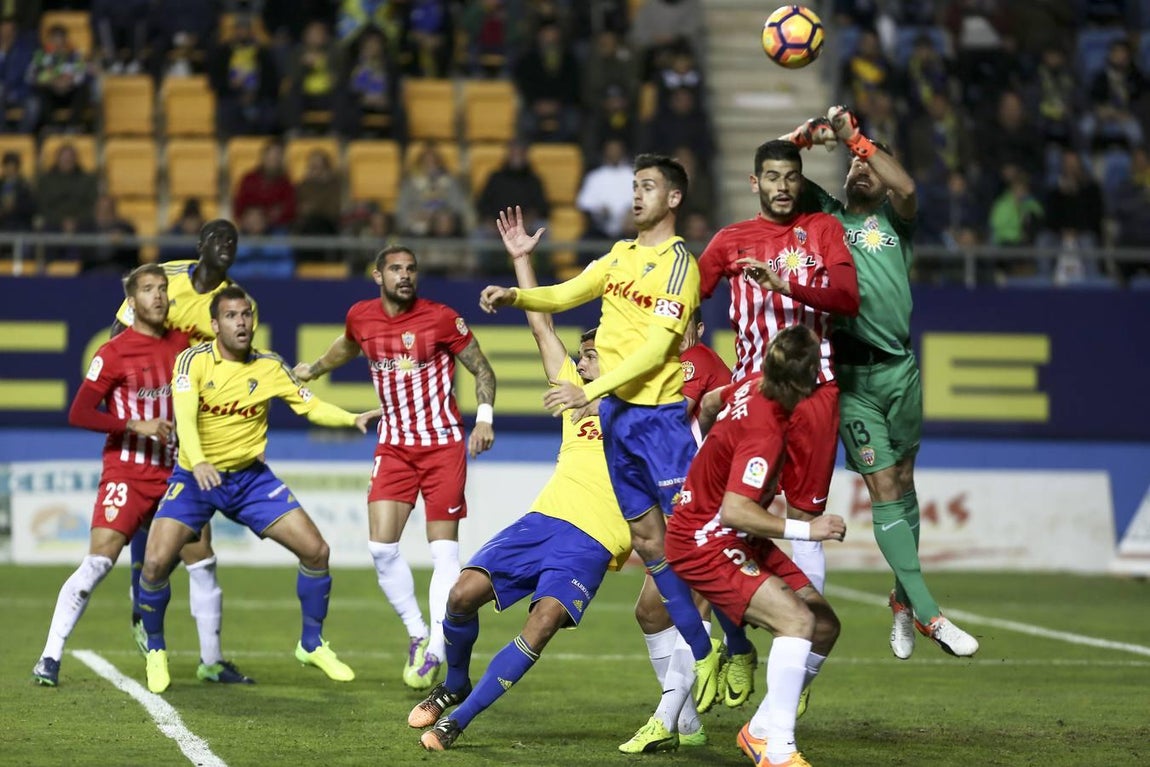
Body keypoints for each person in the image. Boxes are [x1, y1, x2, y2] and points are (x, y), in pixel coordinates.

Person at [479, 153, 724, 739]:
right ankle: (689, 693)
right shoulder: (618, 257)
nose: (635, 195)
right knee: (651, 564)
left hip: (659, 425)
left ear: (673, 200)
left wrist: (595, 390)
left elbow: (652, 354)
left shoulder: (678, 266)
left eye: (647, 187)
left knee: (694, 557)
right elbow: (564, 296)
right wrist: (518, 294)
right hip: (624, 425)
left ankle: (728, 649)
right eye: (633, 186)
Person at [407, 206, 633, 751]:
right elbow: (540, 324)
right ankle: (454, 685)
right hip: (545, 519)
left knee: (543, 622)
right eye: (579, 359)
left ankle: (457, 723)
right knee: (461, 595)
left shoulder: (644, 410)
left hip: (596, 541)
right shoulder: (573, 398)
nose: (580, 367)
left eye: (591, 358)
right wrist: (522, 262)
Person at [784, 106, 979, 658]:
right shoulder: (825, 217)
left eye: (871, 163)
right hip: (850, 377)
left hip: (901, 369)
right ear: (842, 175)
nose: (862, 170)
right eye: (853, 164)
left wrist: (859, 140)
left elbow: (909, 185)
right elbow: (776, 165)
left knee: (906, 481)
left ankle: (899, 599)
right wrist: (804, 137)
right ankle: (931, 615)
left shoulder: (896, 222)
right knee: (884, 486)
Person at [137, 287, 379, 693]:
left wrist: (349, 419)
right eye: (232, 316)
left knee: (316, 551)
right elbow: (184, 420)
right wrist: (199, 463)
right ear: (215, 325)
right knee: (154, 565)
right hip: (195, 478)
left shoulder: (269, 366)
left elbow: (309, 404)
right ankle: (157, 650)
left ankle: (311, 643)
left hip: (249, 480)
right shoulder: (192, 361)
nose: (242, 322)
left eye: (246, 315)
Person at [32, 265, 250, 688]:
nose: (158, 296)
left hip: (176, 476)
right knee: (98, 562)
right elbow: (79, 413)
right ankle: (50, 656)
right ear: (131, 302)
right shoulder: (113, 352)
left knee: (202, 561)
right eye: (148, 290)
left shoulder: (186, 348)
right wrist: (134, 424)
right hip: (127, 473)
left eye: (163, 289)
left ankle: (212, 661)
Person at [294, 245, 497, 691]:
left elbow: (483, 369)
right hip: (395, 447)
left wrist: (484, 419)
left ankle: (437, 650)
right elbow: (345, 347)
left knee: (443, 552)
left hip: (443, 446)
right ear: (377, 275)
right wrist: (312, 371)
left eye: (411, 269)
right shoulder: (361, 317)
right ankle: (417, 632)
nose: (405, 276)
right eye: (396, 269)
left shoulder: (442, 317)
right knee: (381, 548)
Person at [665, 325, 845, 767]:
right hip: (704, 540)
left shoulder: (747, 385)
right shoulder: (767, 431)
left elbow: (709, 404)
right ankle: (776, 749)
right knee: (798, 621)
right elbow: (735, 511)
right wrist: (810, 530)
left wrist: (709, 458)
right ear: (804, 383)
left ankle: (761, 729)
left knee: (822, 625)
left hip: (727, 533)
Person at [698, 138, 858, 623]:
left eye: (790, 177)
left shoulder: (824, 229)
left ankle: (802, 647)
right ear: (755, 182)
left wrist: (785, 284)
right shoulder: (730, 240)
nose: (782, 187)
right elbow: (687, 300)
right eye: (771, 177)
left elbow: (849, 298)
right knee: (729, 510)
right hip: (753, 395)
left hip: (816, 390)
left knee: (805, 516)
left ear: (801, 180)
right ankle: (726, 643)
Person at [113, 219, 253, 672]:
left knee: (195, 544)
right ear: (200, 246)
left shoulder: (234, 303)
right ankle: (150, 612)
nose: (226, 246)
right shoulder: (165, 279)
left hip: (191, 425)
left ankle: (199, 651)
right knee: (168, 532)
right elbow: (119, 339)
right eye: (218, 238)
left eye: (233, 240)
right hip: (153, 419)